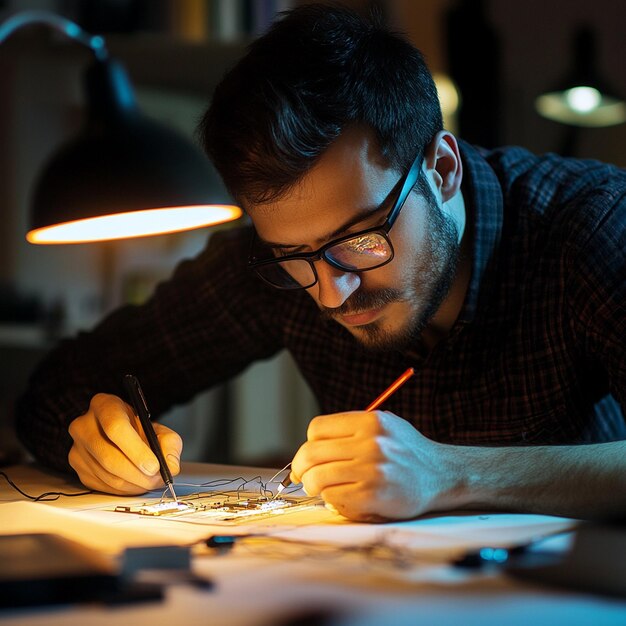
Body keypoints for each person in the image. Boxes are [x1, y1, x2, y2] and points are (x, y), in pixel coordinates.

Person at [16, 3, 626, 522]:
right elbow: (55, 388)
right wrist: (92, 437)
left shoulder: (591, 228)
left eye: (360, 240)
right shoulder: (273, 266)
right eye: (293, 256)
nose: (332, 293)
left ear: (441, 170)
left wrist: (451, 473)